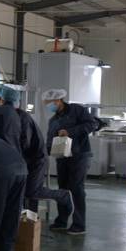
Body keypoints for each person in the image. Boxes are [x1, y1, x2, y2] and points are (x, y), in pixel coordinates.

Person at [42, 89, 97, 236]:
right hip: (62, 158)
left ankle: (79, 225)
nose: (47, 105)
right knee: (63, 190)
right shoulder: (53, 120)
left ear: (58, 100)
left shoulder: (76, 110)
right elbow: (50, 141)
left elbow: (91, 124)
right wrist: (41, 153)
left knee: (76, 189)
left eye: (48, 102)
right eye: (46, 103)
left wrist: (70, 131)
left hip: (79, 156)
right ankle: (61, 221)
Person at [11, 96, 74, 217]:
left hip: (35, 159)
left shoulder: (22, 118)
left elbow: (25, 142)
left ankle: (63, 195)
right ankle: (31, 220)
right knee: (24, 191)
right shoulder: (12, 117)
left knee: (31, 191)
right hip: (25, 159)